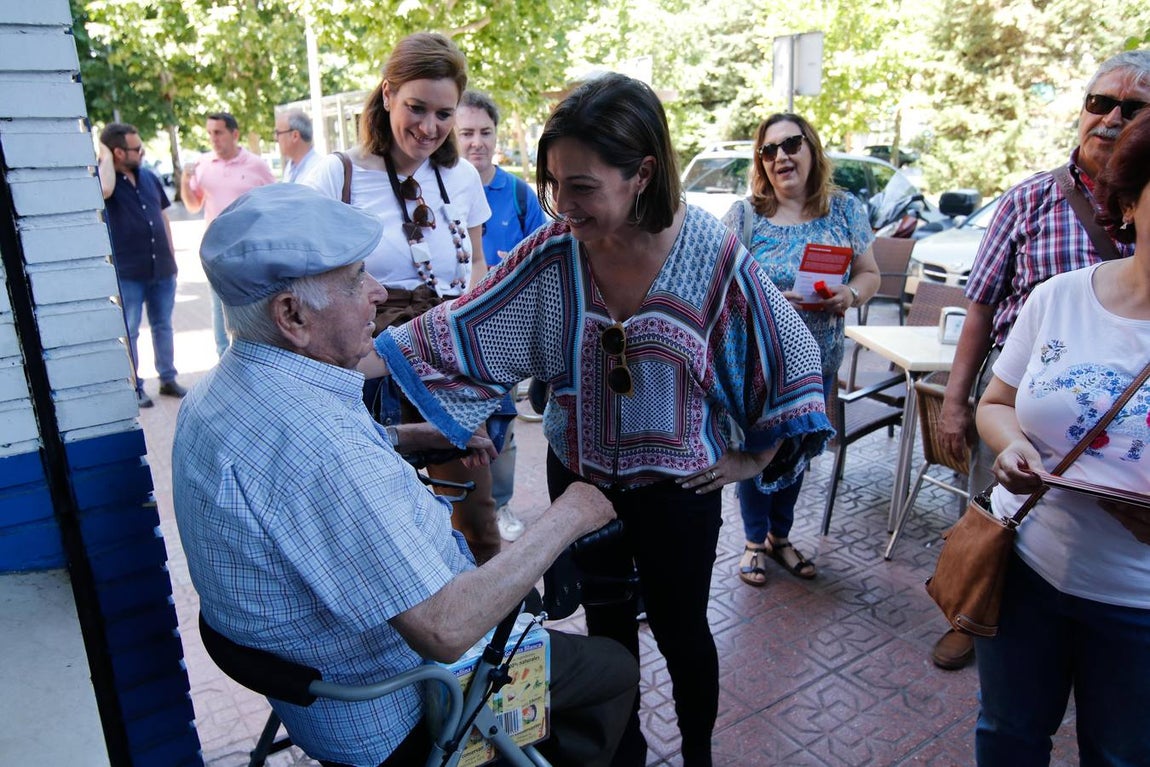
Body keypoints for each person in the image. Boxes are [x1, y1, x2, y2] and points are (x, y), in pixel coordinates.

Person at [366, 73, 833, 766]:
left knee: (681, 631)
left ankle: (698, 755)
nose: (563, 205)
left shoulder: (710, 256)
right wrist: (341, 363)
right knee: (608, 634)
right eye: (555, 184)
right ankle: (625, 757)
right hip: (579, 484)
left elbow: (788, 353)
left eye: (581, 186)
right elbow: (458, 327)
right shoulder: (556, 252)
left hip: (679, 493)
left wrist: (753, 457)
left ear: (641, 173)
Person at [172, 184, 638, 767]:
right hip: (396, 708)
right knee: (613, 670)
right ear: (291, 315)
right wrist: (571, 512)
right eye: (355, 280)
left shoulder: (218, 393)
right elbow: (444, 630)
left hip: (311, 687)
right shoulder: (323, 447)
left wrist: (409, 437)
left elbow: (292, 479)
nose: (378, 291)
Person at [931, 49, 1149, 671]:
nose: (1111, 118)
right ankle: (973, 614)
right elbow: (980, 306)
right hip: (1027, 386)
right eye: (1100, 102)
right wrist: (956, 404)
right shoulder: (1029, 199)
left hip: (1130, 406)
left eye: (1132, 108)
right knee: (999, 515)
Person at [971, 108, 1150, 765]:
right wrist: (1010, 444)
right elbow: (997, 402)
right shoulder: (1058, 298)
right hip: (1027, 569)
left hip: (1139, 605)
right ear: (1129, 205)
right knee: (1008, 736)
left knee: (1122, 755)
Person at [304, 33, 499, 563]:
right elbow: (309, 281)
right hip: (365, 368)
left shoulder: (460, 176)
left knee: (477, 520)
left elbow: (476, 264)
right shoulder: (337, 175)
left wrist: (471, 348)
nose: (430, 127)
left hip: (447, 363)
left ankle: (486, 612)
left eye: (444, 114)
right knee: (380, 528)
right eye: (417, 107)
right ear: (388, 94)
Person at [721, 113, 879, 586]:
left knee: (799, 450)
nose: (781, 157)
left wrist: (849, 294)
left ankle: (780, 536)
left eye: (791, 144)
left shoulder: (845, 209)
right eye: (768, 150)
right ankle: (753, 541)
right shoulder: (747, 216)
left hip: (818, 362)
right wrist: (764, 300)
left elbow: (870, 273)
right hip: (763, 365)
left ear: (811, 148)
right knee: (759, 448)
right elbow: (721, 287)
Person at [456, 89, 548, 542]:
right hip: (447, 330)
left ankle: (501, 505)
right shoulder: (437, 189)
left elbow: (545, 255)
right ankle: (458, 513)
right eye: (466, 133)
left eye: (485, 132)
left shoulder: (516, 192)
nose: (477, 142)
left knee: (501, 425)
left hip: (501, 334)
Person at [97, 122, 188, 407]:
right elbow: (104, 189)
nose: (143, 152)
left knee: (163, 326)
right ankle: (134, 386)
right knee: (131, 330)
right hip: (129, 271)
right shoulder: (105, 180)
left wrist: (171, 256)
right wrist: (103, 154)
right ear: (118, 153)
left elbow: (163, 216)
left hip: (161, 268)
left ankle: (168, 379)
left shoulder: (149, 177)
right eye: (136, 148)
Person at [180, 111, 275, 357]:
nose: (213, 138)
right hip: (218, 251)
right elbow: (193, 205)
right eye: (210, 133)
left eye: (218, 132)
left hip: (253, 252)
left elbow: (273, 204)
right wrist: (185, 180)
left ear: (234, 134)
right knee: (219, 307)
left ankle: (258, 357)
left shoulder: (256, 165)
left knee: (257, 306)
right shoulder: (202, 165)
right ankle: (224, 358)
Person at [274, 108, 318, 183]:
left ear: (295, 136)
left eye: (278, 133)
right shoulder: (290, 168)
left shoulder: (319, 170)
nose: (275, 138)